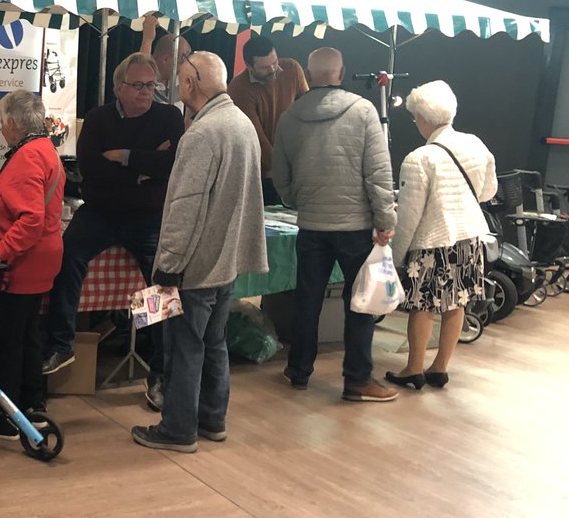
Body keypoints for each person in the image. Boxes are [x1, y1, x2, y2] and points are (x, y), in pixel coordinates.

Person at [131, 52, 267, 452]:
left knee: (184, 349)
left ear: (192, 82)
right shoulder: (241, 123)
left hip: (194, 264)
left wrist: (167, 266)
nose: (177, 85)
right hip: (225, 262)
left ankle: (177, 429)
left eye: (181, 78)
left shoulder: (202, 134)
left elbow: (185, 208)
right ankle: (212, 419)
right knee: (214, 343)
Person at [42, 53, 186, 411]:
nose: (146, 92)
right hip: (101, 212)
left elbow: (173, 164)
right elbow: (90, 171)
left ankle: (159, 371)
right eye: (137, 85)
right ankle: (61, 344)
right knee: (67, 255)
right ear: (118, 87)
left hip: (149, 215)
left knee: (160, 284)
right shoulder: (98, 118)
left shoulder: (170, 117)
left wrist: (123, 156)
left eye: (151, 85)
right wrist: (144, 166)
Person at [272, 47, 398, 403]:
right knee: (360, 303)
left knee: (306, 301)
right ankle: (357, 380)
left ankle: (298, 371)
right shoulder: (363, 111)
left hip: (311, 224)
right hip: (355, 227)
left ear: (311, 75)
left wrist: (296, 201)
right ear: (341, 72)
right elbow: (378, 173)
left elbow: (279, 173)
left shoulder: (290, 116)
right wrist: (385, 219)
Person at [0, 89, 65, 439]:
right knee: (29, 336)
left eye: (0, 122)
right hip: (40, 259)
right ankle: (32, 407)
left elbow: (30, 219)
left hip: (23, 262)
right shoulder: (44, 150)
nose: (0, 128)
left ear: (10, 122)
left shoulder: (27, 157)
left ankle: (9, 416)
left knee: (12, 340)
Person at [386, 80, 497, 390]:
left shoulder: (418, 159)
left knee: (422, 306)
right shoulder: (475, 144)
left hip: (432, 242)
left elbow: (409, 216)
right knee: (456, 302)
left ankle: (413, 368)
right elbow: (489, 191)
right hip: (469, 236)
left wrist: (396, 256)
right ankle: (439, 368)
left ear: (423, 118)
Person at [228, 33, 309, 205]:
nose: (272, 70)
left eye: (274, 62)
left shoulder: (292, 68)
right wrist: (280, 169)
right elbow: (256, 137)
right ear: (249, 66)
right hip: (259, 172)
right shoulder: (238, 88)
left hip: (295, 165)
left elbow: (307, 111)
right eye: (265, 67)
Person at [139, 15, 194, 112]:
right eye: (182, 60)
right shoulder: (148, 83)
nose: (186, 66)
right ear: (166, 59)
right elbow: (141, 72)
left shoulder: (180, 81)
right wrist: (147, 39)